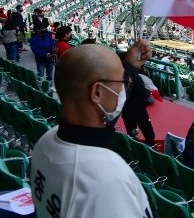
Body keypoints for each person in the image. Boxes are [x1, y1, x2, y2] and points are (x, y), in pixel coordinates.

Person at [31, 44, 152, 217]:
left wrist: (130, 67)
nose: (123, 89)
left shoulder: (45, 142)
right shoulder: (108, 181)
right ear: (97, 92)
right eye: (122, 82)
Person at [120, 40, 156, 147]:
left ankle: (133, 150)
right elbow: (143, 94)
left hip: (125, 110)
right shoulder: (136, 78)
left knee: (131, 132)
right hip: (138, 110)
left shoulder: (119, 78)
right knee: (149, 135)